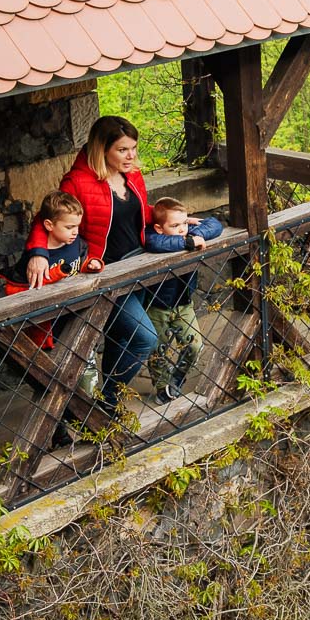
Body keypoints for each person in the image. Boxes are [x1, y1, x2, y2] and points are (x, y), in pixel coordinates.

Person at [59, 115, 156, 408]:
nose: (131, 156)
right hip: (106, 273)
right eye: (123, 150)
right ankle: (107, 401)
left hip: (140, 264)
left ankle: (107, 405)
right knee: (145, 338)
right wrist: (39, 255)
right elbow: (51, 222)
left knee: (119, 338)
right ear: (102, 149)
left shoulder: (132, 176)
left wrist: (175, 219)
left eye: (134, 148)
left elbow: (137, 216)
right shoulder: (77, 182)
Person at [0, 190, 101, 399]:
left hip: (74, 318)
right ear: (48, 225)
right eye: (69, 227)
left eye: (77, 226)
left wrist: (91, 265)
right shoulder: (36, 259)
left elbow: (80, 263)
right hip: (47, 328)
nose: (75, 232)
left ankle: (89, 408)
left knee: (86, 369)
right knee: (52, 380)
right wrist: (58, 273)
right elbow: (28, 288)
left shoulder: (76, 244)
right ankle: (58, 427)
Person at [142, 197, 224, 400]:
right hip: (157, 305)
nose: (182, 229)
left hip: (184, 303)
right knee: (157, 349)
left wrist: (194, 228)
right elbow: (153, 241)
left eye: (184, 223)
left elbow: (215, 225)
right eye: (175, 225)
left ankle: (178, 376)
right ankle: (162, 386)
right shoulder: (154, 237)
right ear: (160, 228)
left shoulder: (189, 232)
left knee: (194, 344)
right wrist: (187, 242)